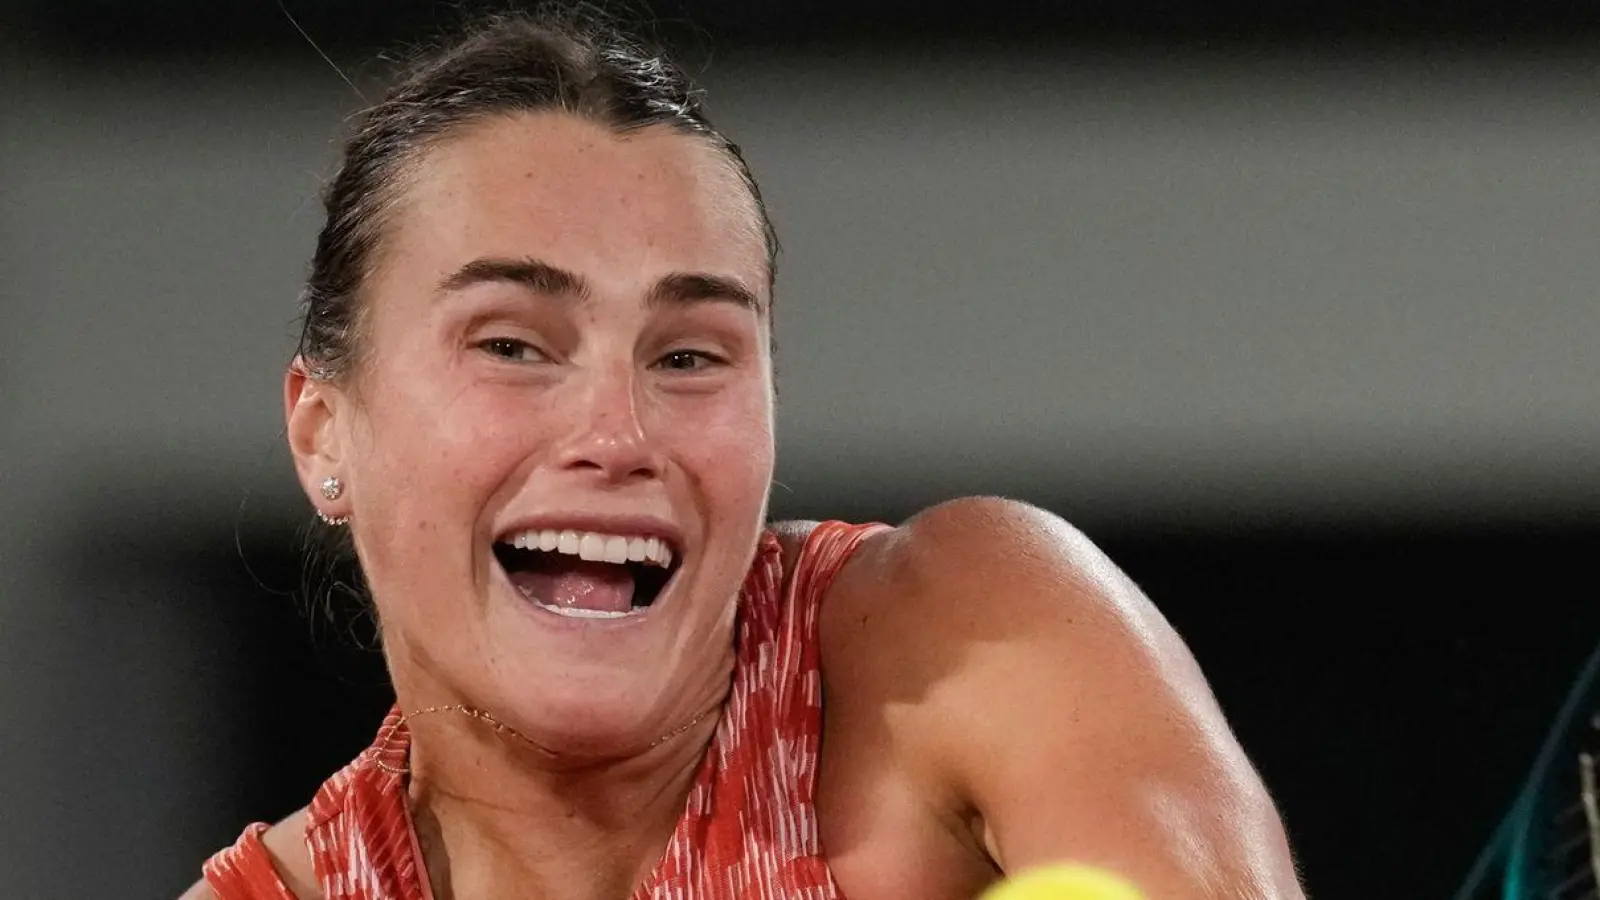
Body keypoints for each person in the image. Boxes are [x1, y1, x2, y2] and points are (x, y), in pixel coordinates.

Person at [183, 9, 1304, 900]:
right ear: (323, 430)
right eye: (515, 345)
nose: (618, 434)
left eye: (687, 357)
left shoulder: (974, 631)